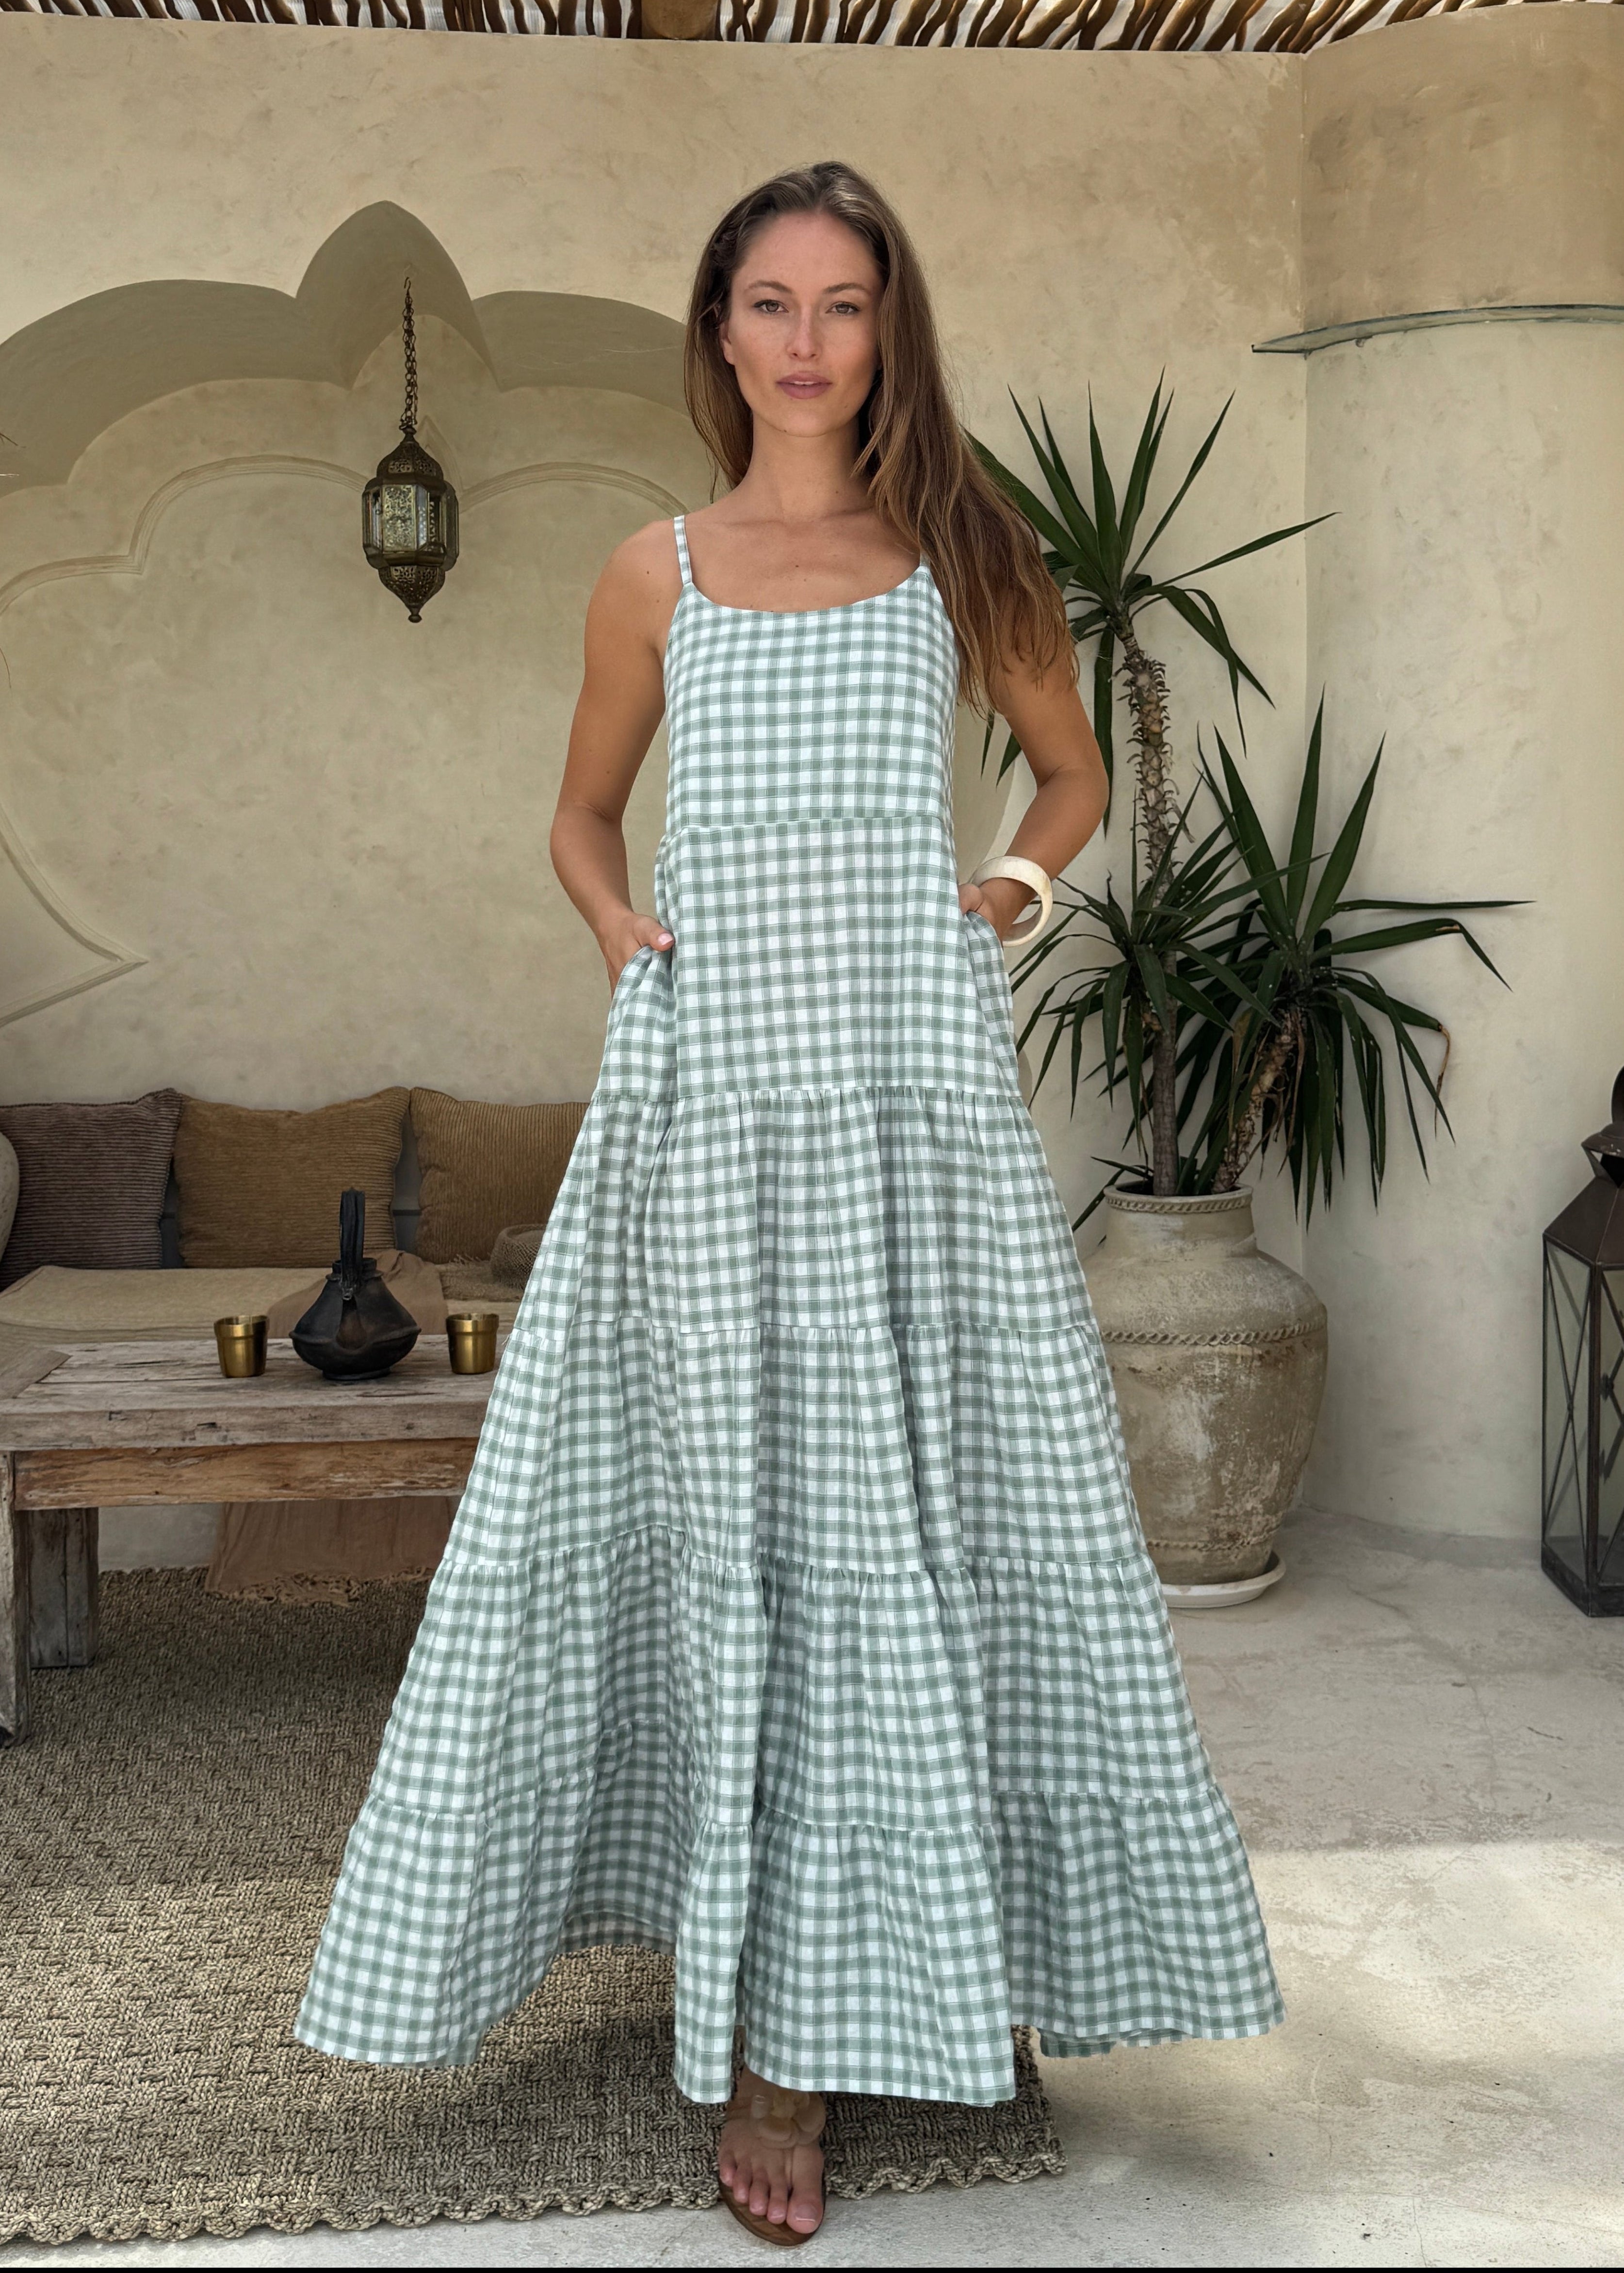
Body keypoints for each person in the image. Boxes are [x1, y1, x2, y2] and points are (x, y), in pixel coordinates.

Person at [295, 160, 1283, 2247]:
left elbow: (1069, 776)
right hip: (710, 1103)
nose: (808, 340)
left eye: (845, 304)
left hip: (912, 1111)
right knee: (701, 1515)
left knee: (905, 1528)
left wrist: (1001, 893)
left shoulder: (963, 554)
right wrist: (617, 927)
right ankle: (741, 1965)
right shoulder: (651, 570)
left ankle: (832, 2014)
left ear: (885, 329)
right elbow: (580, 815)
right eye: (772, 303)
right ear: (720, 329)